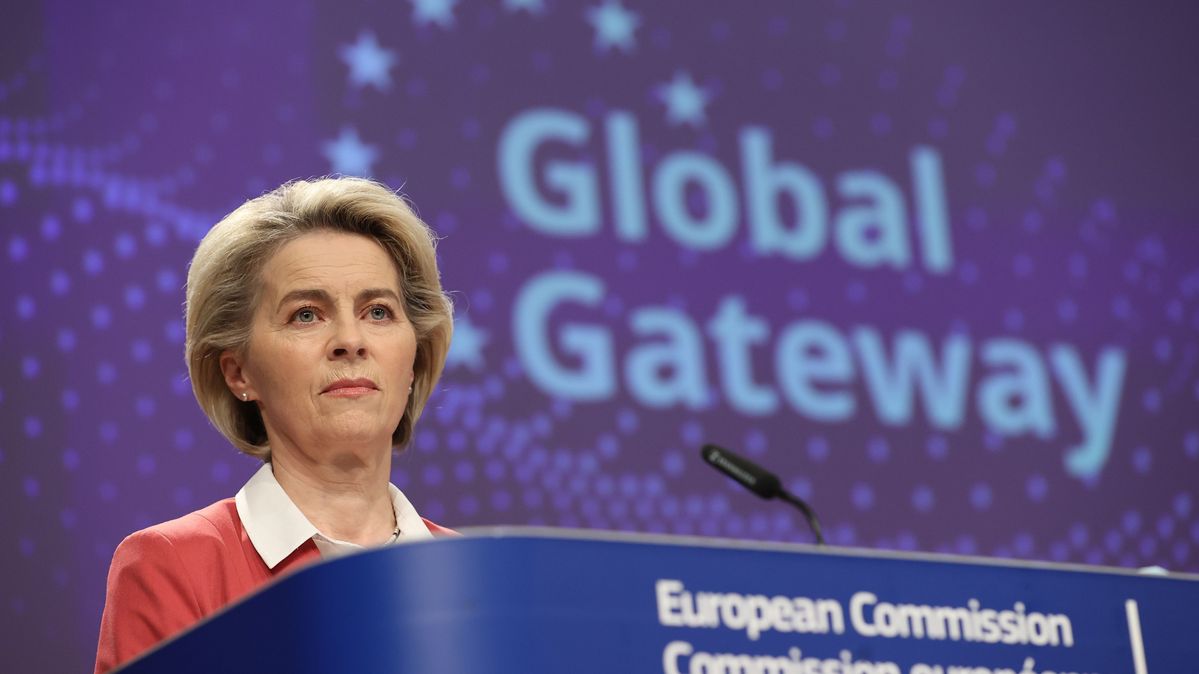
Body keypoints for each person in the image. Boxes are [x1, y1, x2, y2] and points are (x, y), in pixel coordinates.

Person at [94, 177, 456, 673]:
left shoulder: (482, 576)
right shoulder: (173, 567)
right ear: (238, 372)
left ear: (412, 362)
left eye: (378, 311)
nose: (350, 340)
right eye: (306, 315)